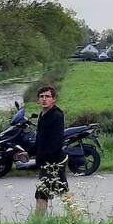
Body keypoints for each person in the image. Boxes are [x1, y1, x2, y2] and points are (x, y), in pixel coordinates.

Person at [33, 85, 68, 215]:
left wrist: (43, 159)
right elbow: (40, 139)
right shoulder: (43, 115)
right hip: (48, 162)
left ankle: (37, 223)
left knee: (42, 194)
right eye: (41, 96)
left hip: (54, 162)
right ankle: (76, 219)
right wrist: (29, 152)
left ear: (54, 99)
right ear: (38, 100)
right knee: (61, 192)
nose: (44, 99)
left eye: (47, 96)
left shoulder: (56, 116)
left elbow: (56, 143)